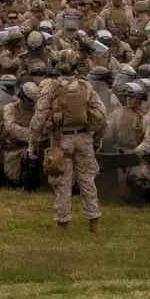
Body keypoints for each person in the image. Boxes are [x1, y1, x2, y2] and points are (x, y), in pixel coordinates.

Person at [28, 50, 107, 232]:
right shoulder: (85, 85)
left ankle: (62, 223)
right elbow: (102, 115)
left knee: (62, 181)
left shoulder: (50, 86)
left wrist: (32, 142)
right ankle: (94, 222)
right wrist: (98, 139)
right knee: (87, 180)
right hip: (84, 138)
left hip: (60, 139)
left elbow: (39, 118)